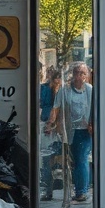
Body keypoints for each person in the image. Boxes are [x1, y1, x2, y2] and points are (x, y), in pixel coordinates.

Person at [47, 62, 94, 203]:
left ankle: (81, 191)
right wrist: (51, 124)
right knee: (73, 161)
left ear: (87, 75)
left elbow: (95, 108)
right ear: (72, 74)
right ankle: (78, 188)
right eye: (77, 72)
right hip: (70, 130)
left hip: (85, 130)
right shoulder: (65, 90)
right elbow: (56, 107)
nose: (79, 76)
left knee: (82, 158)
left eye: (82, 73)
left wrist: (92, 124)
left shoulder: (90, 90)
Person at [39, 67, 62, 201]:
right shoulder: (62, 91)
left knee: (47, 159)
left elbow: (42, 105)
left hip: (50, 127)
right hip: (56, 127)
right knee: (51, 159)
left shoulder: (45, 89)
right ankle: (49, 189)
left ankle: (48, 190)